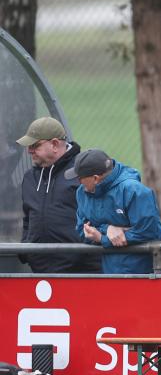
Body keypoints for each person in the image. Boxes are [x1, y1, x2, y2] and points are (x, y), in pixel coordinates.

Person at [67, 149, 161, 274]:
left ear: (95, 178)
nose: (77, 182)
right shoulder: (82, 193)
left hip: (150, 269)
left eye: (80, 178)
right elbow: (82, 229)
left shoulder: (133, 190)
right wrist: (107, 229)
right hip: (112, 268)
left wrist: (102, 238)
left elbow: (146, 231)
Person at [16, 117, 101, 273]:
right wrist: (25, 250)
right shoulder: (29, 178)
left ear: (54, 144)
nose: (29, 151)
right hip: (40, 272)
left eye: (34, 146)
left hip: (83, 272)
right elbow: (28, 218)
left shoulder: (84, 172)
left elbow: (104, 214)